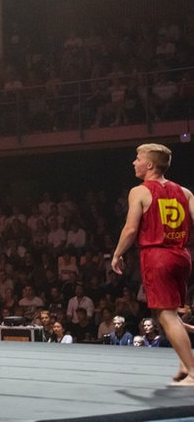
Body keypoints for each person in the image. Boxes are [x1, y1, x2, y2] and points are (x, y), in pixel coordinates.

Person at [112, 143, 194, 386]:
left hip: (157, 256)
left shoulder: (140, 191)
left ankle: (192, 371)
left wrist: (117, 254)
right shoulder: (185, 192)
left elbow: (130, 229)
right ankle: (183, 364)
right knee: (166, 312)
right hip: (181, 255)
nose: (134, 163)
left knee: (166, 315)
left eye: (137, 158)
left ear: (149, 164)